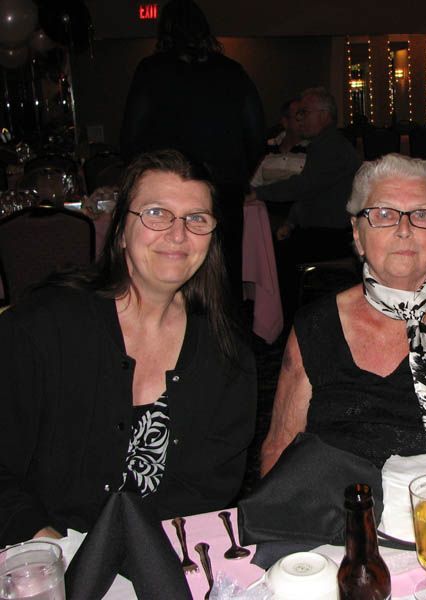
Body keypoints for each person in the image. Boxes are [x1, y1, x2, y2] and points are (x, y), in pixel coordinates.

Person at [0, 149, 257, 546]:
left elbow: (207, 490)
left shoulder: (226, 354)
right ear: (120, 231)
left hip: (162, 552)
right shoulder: (44, 326)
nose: (178, 234)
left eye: (196, 219)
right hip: (44, 553)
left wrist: (139, 559)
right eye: (156, 213)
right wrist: (53, 551)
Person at [260, 153, 426, 475]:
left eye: (422, 214)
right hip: (330, 504)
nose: (404, 229)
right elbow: (279, 447)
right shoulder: (315, 324)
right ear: (357, 233)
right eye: (383, 214)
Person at [120, 0, 265, 300]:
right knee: (224, 275)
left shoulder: (152, 71)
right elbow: (256, 134)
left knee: (171, 269)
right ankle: (223, 329)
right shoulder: (232, 71)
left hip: (170, 191)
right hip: (223, 189)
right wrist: (237, 177)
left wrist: (144, 182)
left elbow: (131, 137)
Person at [249, 87, 362, 322]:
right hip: (327, 231)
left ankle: (289, 324)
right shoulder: (326, 143)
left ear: (324, 115)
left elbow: (305, 186)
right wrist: (290, 222)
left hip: (333, 236)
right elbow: (311, 191)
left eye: (305, 112)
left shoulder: (330, 146)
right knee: (276, 246)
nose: (300, 119)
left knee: (274, 258)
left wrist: (258, 193)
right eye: (298, 114)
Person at [249, 97, 307, 188]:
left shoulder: (313, 149)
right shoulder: (267, 147)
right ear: (285, 122)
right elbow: (253, 185)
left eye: (306, 115)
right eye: (299, 115)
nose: (304, 120)